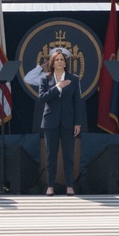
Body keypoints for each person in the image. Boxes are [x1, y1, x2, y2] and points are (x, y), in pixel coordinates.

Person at [37, 47, 85, 196]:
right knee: (51, 155)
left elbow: (77, 102)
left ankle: (69, 185)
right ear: (52, 63)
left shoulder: (73, 79)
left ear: (65, 63)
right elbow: (42, 97)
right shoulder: (45, 79)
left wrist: (77, 123)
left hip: (68, 122)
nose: (59, 62)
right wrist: (57, 87)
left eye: (62, 60)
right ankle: (50, 185)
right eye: (56, 60)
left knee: (68, 155)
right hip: (50, 122)